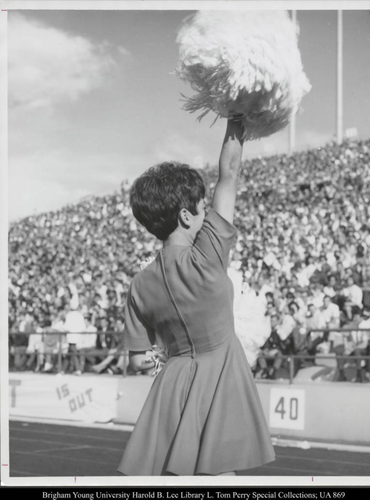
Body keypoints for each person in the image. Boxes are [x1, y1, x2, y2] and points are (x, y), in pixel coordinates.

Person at [118, 118, 275, 476]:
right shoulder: (207, 254)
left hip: (171, 389)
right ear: (187, 217)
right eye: (204, 208)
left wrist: (173, 359)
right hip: (218, 381)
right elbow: (230, 173)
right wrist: (237, 114)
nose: (209, 213)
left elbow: (138, 362)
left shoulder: (139, 284)